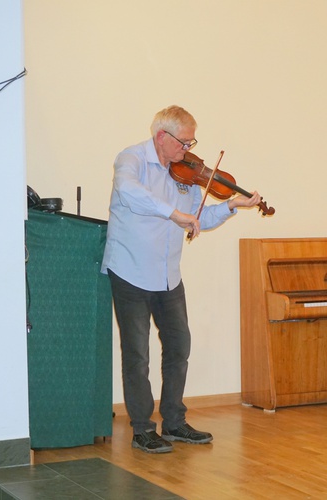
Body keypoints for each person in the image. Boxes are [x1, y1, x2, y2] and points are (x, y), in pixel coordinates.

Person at [101, 105, 262, 453]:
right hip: (130, 271)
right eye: (184, 143)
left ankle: (174, 422)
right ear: (162, 136)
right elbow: (131, 193)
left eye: (191, 143)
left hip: (168, 275)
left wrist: (233, 205)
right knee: (137, 354)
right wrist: (173, 213)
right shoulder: (131, 160)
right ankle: (143, 428)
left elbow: (198, 218)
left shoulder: (185, 174)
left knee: (179, 347)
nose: (188, 151)